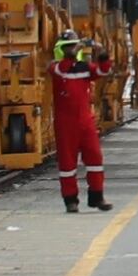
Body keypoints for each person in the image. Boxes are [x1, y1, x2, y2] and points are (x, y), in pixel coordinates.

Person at [45, 30, 107, 212]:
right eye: (67, 47)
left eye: (72, 46)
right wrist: (71, 55)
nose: (71, 49)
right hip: (66, 124)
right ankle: (71, 200)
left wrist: (102, 53)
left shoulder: (84, 68)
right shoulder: (56, 67)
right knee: (67, 164)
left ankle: (97, 197)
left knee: (95, 158)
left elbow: (103, 70)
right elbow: (61, 70)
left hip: (85, 122)